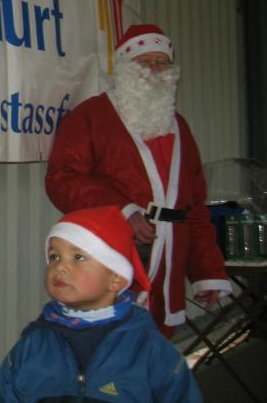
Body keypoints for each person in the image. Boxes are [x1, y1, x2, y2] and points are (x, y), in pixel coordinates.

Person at [46, 23, 230, 338]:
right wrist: (123, 211)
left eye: (162, 62)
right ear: (125, 67)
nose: (155, 69)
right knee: (108, 342)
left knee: (156, 342)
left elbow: (194, 207)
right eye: (145, 61)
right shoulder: (91, 116)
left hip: (169, 259)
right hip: (113, 255)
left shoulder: (179, 127)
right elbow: (61, 178)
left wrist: (207, 272)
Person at [0, 206, 202, 402]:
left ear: (116, 279)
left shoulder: (149, 349)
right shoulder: (33, 344)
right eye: (54, 256)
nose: (60, 267)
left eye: (78, 257)